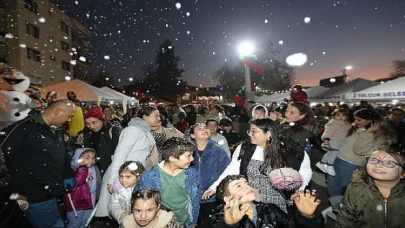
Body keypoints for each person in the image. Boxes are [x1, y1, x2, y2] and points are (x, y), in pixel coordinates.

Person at [203, 118, 312, 212]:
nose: (250, 134)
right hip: (251, 199)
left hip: (278, 201)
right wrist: (215, 187)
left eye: (254, 131)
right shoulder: (244, 148)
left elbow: (305, 171)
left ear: (268, 134)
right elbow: (232, 168)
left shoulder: (289, 150)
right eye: (249, 130)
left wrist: (299, 189)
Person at [0, 99, 76, 228]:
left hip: (52, 191)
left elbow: (62, 156)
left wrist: (67, 174)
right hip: (34, 194)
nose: (69, 120)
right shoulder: (23, 128)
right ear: (57, 112)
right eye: (69, 116)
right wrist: (15, 190)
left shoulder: (56, 128)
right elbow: (3, 158)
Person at [95, 106, 158, 218]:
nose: (159, 118)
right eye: (156, 115)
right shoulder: (133, 130)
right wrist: (113, 180)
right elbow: (120, 155)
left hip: (136, 176)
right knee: (124, 211)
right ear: (145, 117)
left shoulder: (146, 132)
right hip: (124, 176)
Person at [327, 108, 397, 197]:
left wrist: (368, 133)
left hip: (351, 165)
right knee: (333, 188)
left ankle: (342, 208)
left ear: (370, 121)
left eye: (359, 120)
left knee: (344, 190)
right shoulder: (357, 128)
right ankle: (334, 207)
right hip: (338, 159)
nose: (356, 122)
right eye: (355, 119)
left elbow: (360, 150)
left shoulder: (379, 135)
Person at [210, 175, 324, 228]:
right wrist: (228, 225)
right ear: (227, 198)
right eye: (238, 186)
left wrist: (306, 217)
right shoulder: (218, 218)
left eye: (247, 183)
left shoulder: (269, 210)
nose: (247, 187)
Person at [134, 137, 200, 228]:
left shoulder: (191, 174)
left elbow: (194, 200)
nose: (192, 159)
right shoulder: (150, 176)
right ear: (172, 158)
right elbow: (138, 201)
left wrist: (193, 221)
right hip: (160, 223)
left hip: (184, 222)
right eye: (188, 156)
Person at [336, 147, 405, 227]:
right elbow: (345, 219)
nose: (378, 165)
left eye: (389, 163)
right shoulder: (355, 189)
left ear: (403, 173)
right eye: (374, 160)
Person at [189, 123, 230, 226]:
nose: (205, 130)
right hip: (190, 198)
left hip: (211, 198)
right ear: (193, 135)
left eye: (206, 128)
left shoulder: (219, 151)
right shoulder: (187, 151)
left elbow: (226, 174)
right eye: (200, 128)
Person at [64, 148, 101, 228]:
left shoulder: (94, 168)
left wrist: (98, 194)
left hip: (91, 199)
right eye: (87, 158)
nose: (91, 161)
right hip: (76, 203)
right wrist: (82, 168)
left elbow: (98, 182)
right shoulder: (73, 169)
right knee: (75, 223)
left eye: (93, 158)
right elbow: (78, 181)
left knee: (86, 221)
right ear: (78, 158)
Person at [83, 105, 122, 174]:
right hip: (93, 172)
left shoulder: (113, 131)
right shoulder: (87, 133)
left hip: (108, 172)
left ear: (102, 120)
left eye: (94, 122)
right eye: (88, 124)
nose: (91, 126)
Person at [316, 109, 352, 176]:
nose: (341, 117)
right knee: (335, 152)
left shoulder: (347, 124)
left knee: (330, 152)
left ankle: (322, 163)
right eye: (338, 115)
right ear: (334, 116)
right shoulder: (333, 123)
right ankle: (330, 165)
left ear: (347, 117)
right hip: (334, 140)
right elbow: (328, 132)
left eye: (343, 115)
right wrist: (326, 139)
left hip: (341, 141)